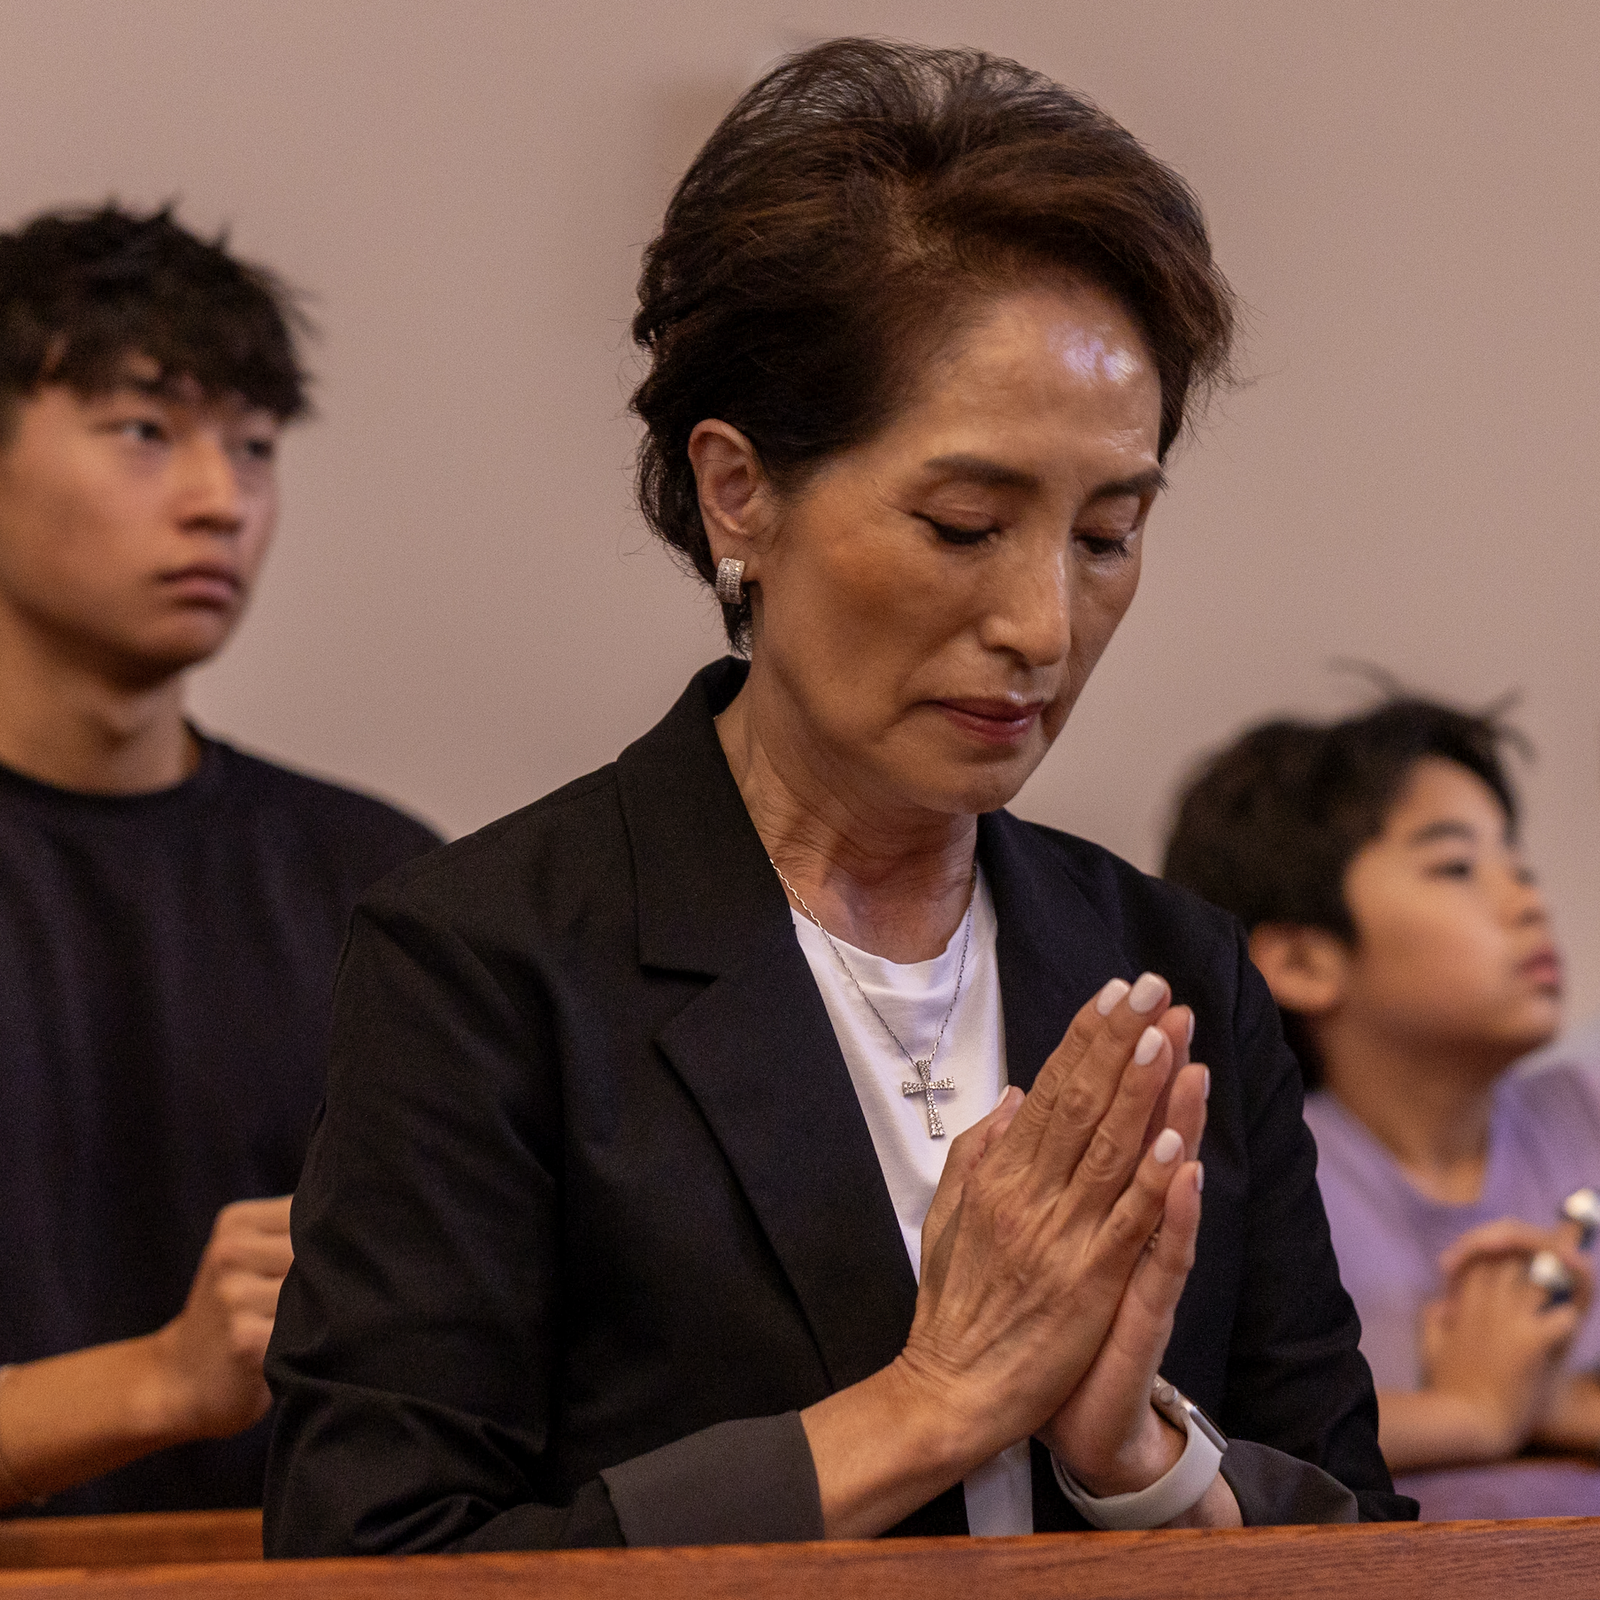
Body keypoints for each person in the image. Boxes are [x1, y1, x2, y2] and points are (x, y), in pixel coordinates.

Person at [264, 39, 1410, 1555]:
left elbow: (1373, 1551)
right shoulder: (489, 959)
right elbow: (372, 1559)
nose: (1043, 627)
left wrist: (1136, 1459)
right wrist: (928, 1404)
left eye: (1107, 535)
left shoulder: (1175, 968)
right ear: (740, 490)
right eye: (963, 523)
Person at [0, 204, 441, 1516]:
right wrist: (160, 1381)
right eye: (145, 432)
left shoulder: (386, 884)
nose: (219, 499)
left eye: (253, 447)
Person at [1163, 696, 1600, 1518]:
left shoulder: (1586, 1111)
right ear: (1301, 960)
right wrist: (1468, 1415)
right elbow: (1203, 1444)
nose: (1526, 900)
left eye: (1520, 865)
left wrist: (1542, 1404)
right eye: (1456, 868)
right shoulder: (1249, 1178)